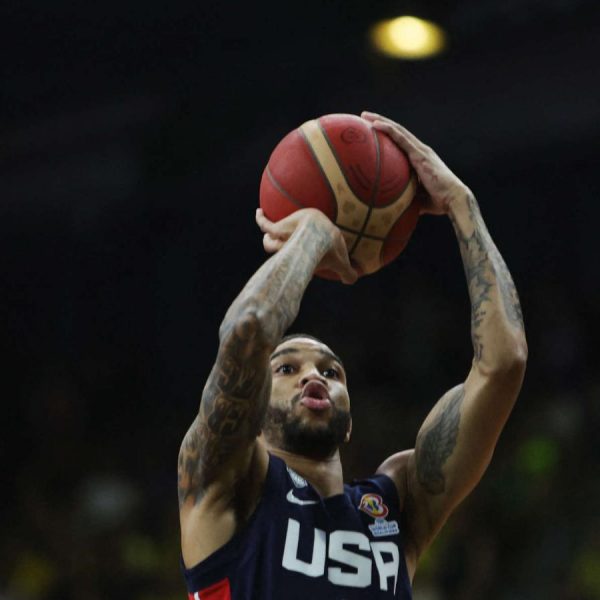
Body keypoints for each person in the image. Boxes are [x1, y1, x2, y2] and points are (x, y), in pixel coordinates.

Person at [177, 112, 527, 599]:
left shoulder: (396, 503)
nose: (313, 376)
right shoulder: (227, 482)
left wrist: (461, 203)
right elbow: (247, 329)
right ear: (251, 412)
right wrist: (314, 232)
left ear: (349, 423)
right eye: (287, 368)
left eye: (331, 371)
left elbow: (504, 364)